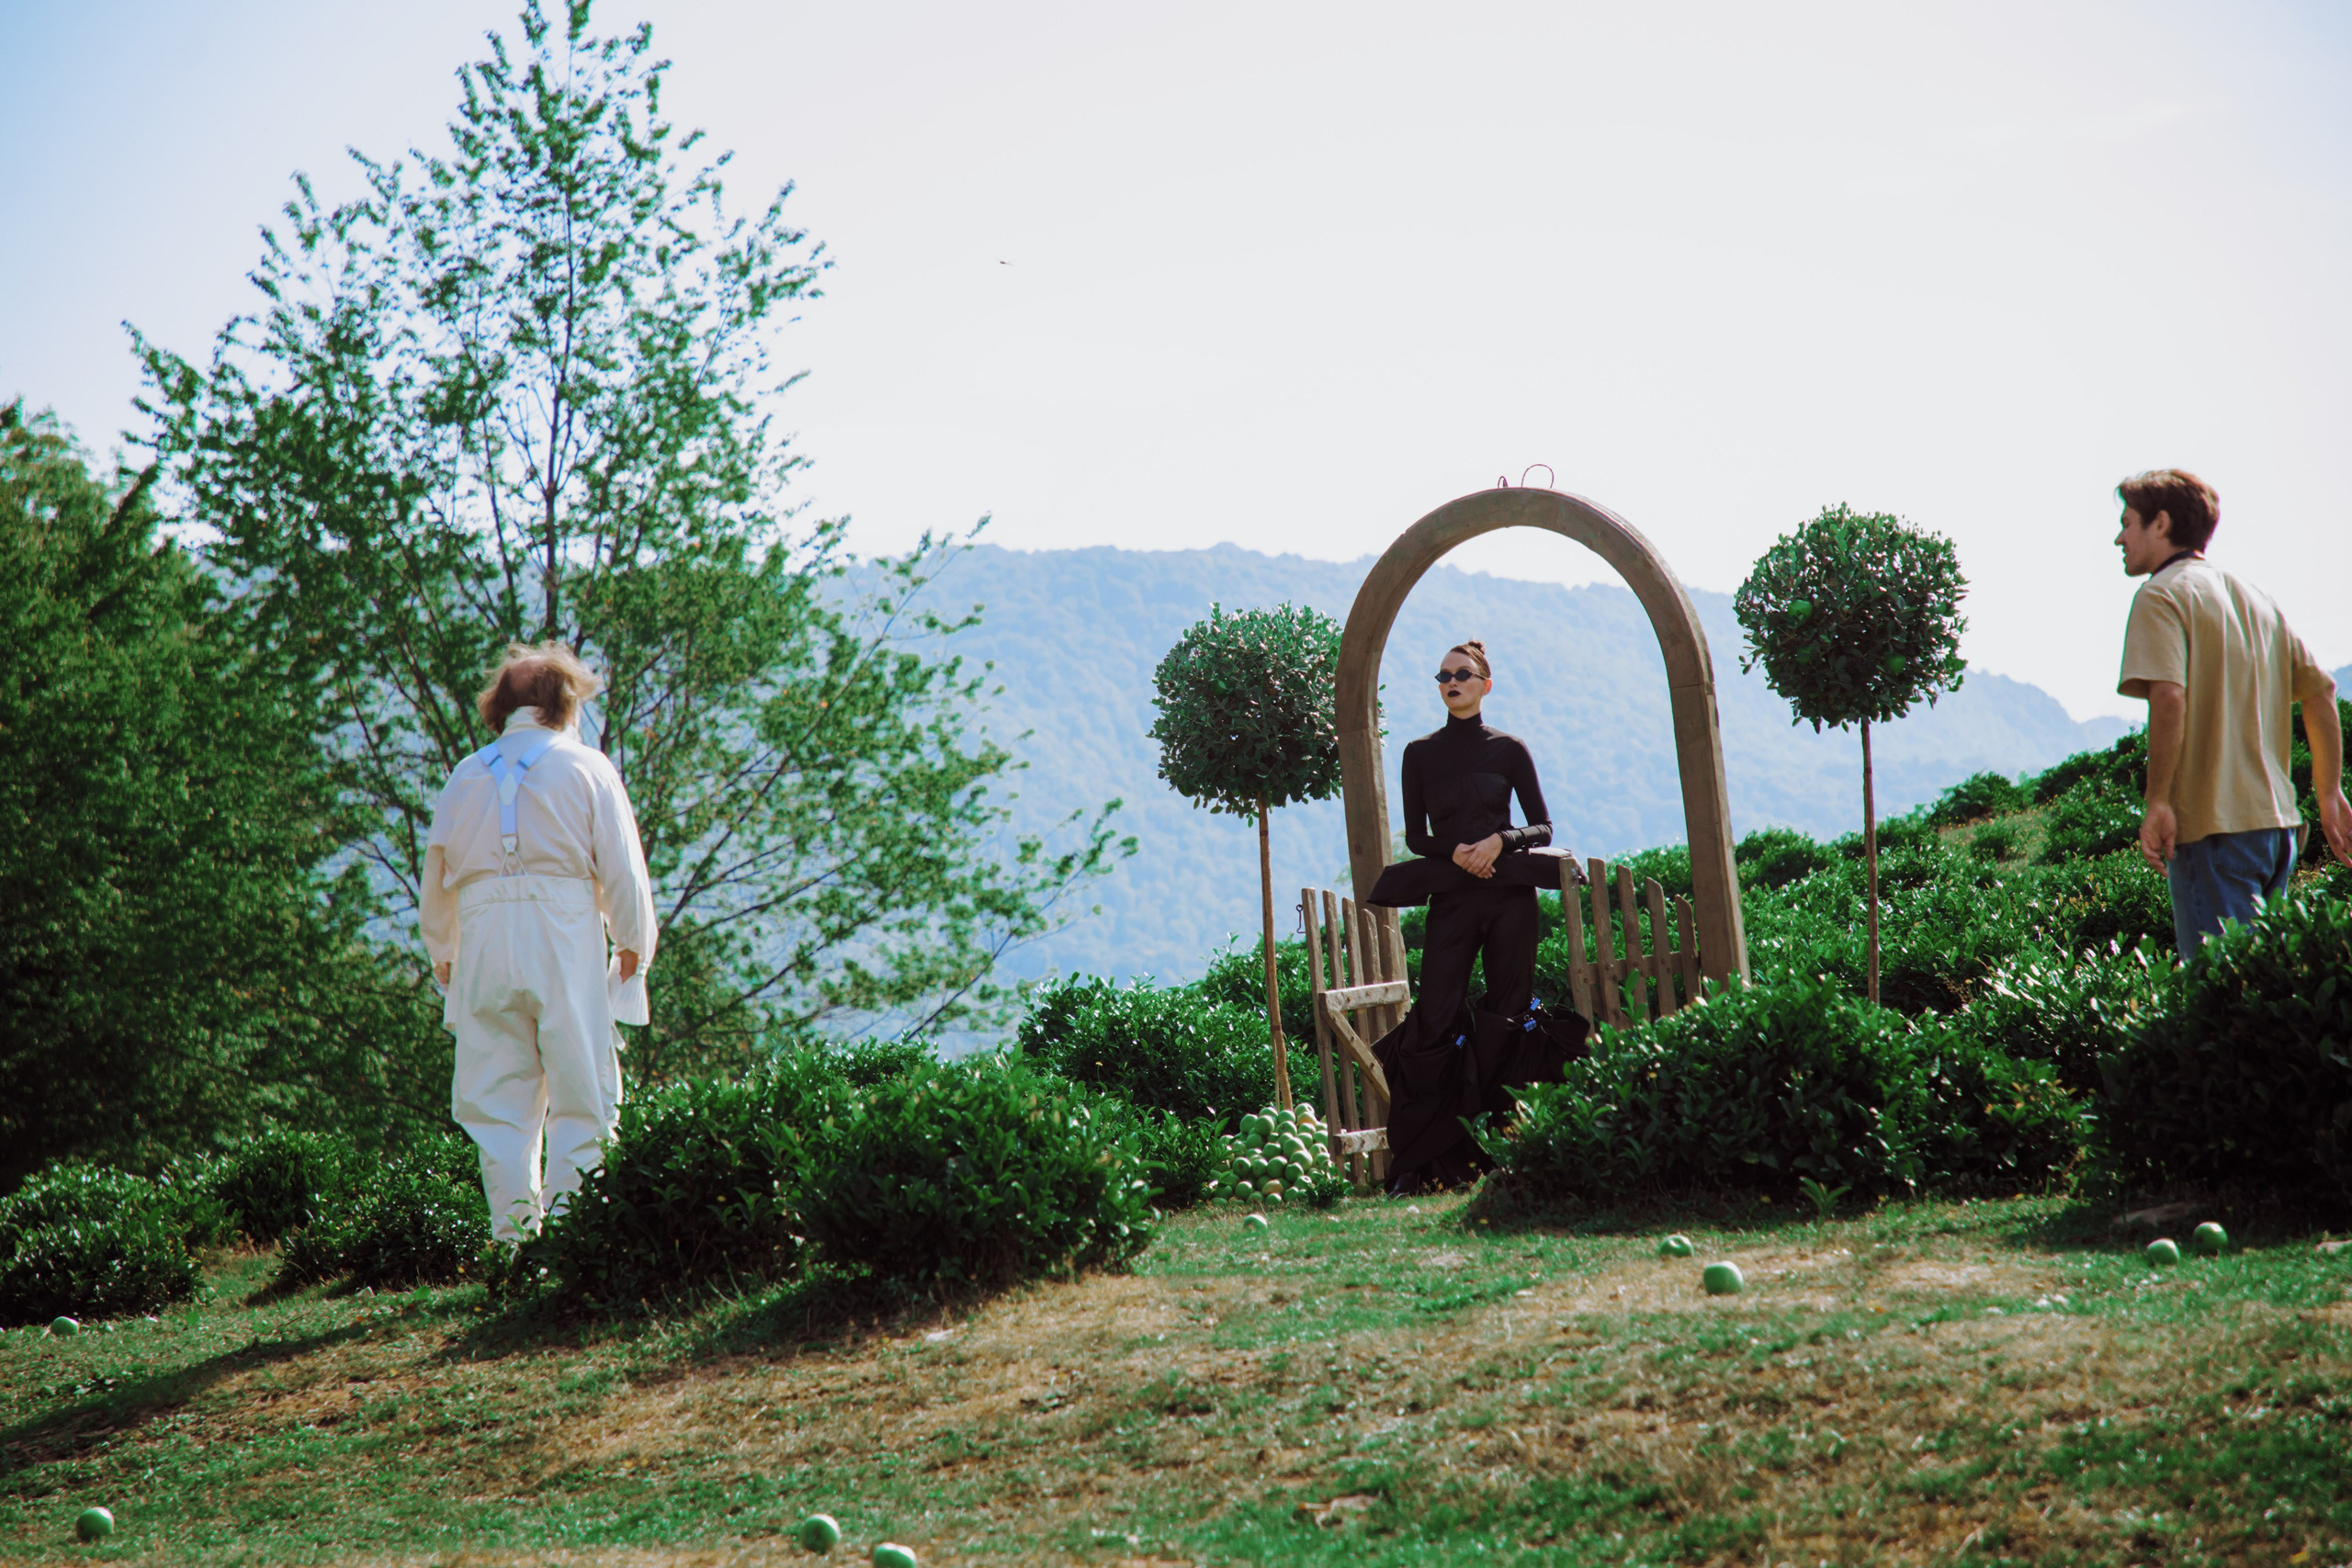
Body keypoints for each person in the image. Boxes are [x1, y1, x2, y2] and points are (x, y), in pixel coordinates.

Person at [421, 643, 658, 1240]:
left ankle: (513, 1246)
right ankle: (574, 1246)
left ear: (500, 705)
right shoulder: (587, 767)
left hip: (482, 943)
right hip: (562, 935)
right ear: (564, 701)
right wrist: (633, 946)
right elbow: (624, 870)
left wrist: (443, 952)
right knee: (583, 1095)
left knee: (498, 1107)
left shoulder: (465, 774)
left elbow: (437, 873)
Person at [1367, 640, 1584, 1193]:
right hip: (1453, 898)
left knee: (1509, 1014)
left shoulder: (1510, 749)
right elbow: (1417, 837)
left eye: (1462, 674)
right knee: (1435, 1014)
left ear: (1486, 684)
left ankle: (1511, 1153)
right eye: (1443, 676)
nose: (1451, 682)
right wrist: (1459, 852)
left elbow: (1543, 827)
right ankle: (1417, 1165)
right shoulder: (1419, 753)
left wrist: (1498, 842)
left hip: (1509, 896)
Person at [2113, 469, 2351, 964]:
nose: (2119, 538)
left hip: (2213, 831)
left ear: (2161, 523)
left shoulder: (2161, 594)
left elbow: (2169, 698)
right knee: (2262, 989)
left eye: (2127, 522)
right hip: (2278, 829)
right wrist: (2328, 794)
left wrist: (2158, 801)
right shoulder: (2255, 597)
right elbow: (2322, 690)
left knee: (2220, 995)